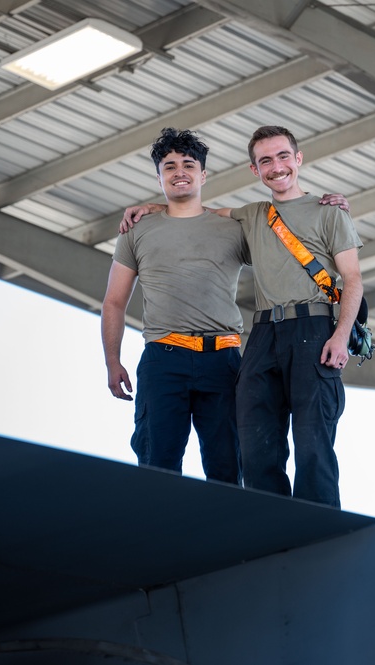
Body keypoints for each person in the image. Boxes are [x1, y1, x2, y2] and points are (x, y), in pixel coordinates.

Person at [122, 126, 363, 508]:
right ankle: (270, 526)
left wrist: (340, 334)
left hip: (314, 328)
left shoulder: (328, 212)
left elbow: (353, 279)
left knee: (312, 441)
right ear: (255, 170)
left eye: (283, 156)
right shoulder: (252, 216)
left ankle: (316, 528)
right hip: (263, 333)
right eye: (265, 160)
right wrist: (154, 208)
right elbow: (197, 214)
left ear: (298, 159)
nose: (276, 166)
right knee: (254, 446)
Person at [101, 128, 249, 484]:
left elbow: (285, 233)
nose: (179, 171)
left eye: (188, 164)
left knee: (229, 467)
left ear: (203, 174)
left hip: (224, 361)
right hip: (164, 359)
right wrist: (112, 361)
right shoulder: (137, 229)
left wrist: (326, 205)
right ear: (159, 176)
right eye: (169, 166)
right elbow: (114, 301)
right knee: (157, 464)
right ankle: (156, 537)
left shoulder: (234, 227)